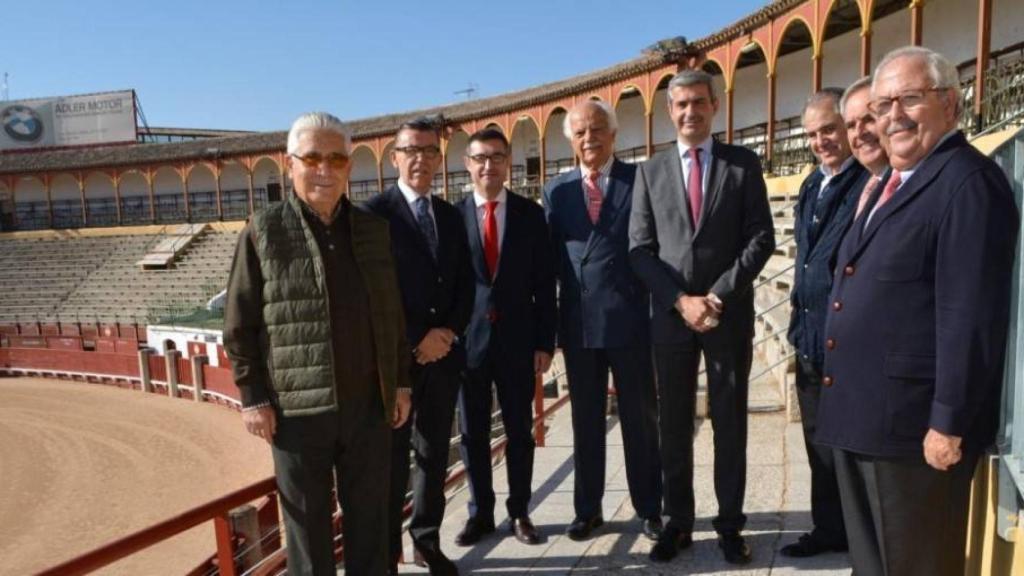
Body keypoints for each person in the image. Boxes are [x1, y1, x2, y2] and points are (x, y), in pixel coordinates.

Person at [817, 46, 1019, 576]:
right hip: (866, 424)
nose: (894, 117)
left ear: (950, 104)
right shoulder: (893, 180)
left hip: (914, 434)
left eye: (910, 99)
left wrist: (948, 423)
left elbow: (971, 314)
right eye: (884, 106)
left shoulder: (966, 183)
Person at [223, 111, 412, 576]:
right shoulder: (263, 231)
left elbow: (392, 317)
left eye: (336, 158)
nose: (325, 169)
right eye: (312, 158)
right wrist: (254, 397)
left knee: (370, 524)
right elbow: (239, 323)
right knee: (308, 537)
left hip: (368, 405)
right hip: (295, 412)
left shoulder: (373, 231)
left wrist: (401, 384)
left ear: (349, 165)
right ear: (290, 164)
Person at [628, 68, 775, 565]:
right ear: (670, 111)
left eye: (698, 102)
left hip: (726, 316)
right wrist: (681, 301)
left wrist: (716, 296)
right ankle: (678, 522)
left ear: (715, 106)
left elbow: (761, 238)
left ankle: (731, 525)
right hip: (672, 320)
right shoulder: (649, 172)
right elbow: (640, 251)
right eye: (680, 104)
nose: (690, 112)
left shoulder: (742, 164)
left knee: (729, 422)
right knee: (673, 424)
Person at [543, 100, 663, 542]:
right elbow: (553, 260)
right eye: (579, 132)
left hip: (631, 321)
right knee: (586, 423)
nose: (588, 138)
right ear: (570, 140)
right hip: (580, 326)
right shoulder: (555, 191)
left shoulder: (641, 179)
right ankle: (587, 509)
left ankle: (650, 507)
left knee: (640, 419)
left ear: (614, 135)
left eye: (596, 129)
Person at [365, 118, 475, 576]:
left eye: (430, 151)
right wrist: (416, 339)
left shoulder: (450, 215)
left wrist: (446, 333)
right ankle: (388, 551)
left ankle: (426, 541)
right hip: (396, 363)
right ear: (395, 158)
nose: (421, 160)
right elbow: (376, 292)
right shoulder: (374, 214)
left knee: (433, 454)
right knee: (391, 461)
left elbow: (467, 284)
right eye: (412, 150)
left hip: (444, 359)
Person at [452, 128, 556, 547]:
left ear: (508, 161)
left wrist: (545, 343)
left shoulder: (531, 215)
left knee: (520, 431)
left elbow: (545, 285)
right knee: (473, 434)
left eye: (496, 157)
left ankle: (519, 512)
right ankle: (480, 514)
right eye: (480, 158)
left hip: (518, 343)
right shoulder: (452, 216)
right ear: (468, 163)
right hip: (468, 346)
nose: (488, 165)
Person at [781, 88, 866, 558]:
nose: (821, 141)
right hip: (809, 335)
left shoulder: (867, 181)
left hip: (845, 339)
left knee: (848, 446)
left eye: (829, 129)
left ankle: (859, 534)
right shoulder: (813, 183)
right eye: (812, 134)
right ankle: (829, 529)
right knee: (817, 444)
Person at [840, 76, 891, 218]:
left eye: (869, 119)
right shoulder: (855, 191)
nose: (859, 132)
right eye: (851, 125)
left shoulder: (912, 183)